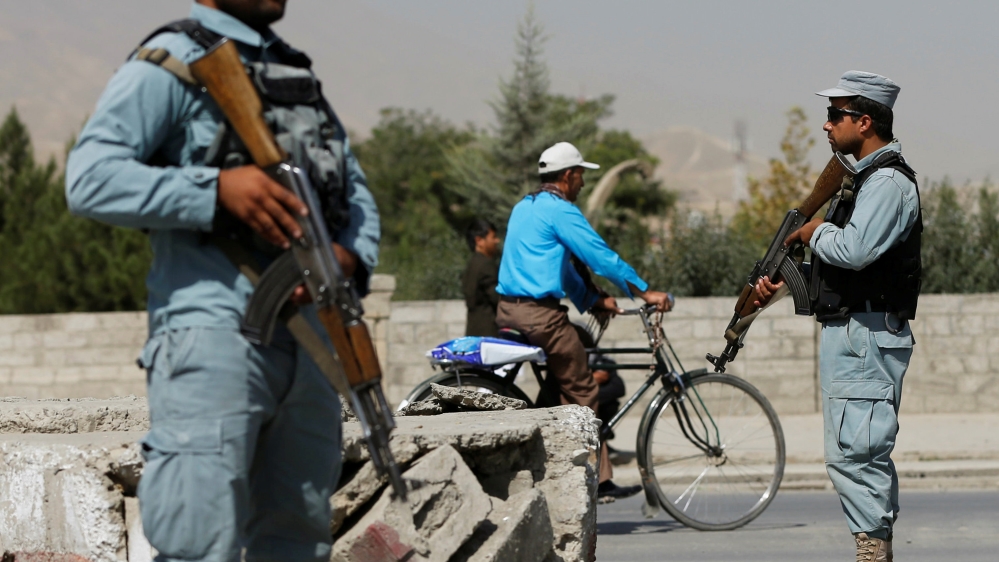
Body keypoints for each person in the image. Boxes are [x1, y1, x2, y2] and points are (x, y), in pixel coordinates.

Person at [65, 1, 380, 560]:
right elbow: (90, 177)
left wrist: (347, 255)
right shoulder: (172, 61)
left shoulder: (296, 75)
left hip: (309, 340)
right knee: (197, 544)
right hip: (213, 336)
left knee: (298, 541)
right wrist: (213, 191)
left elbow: (353, 190)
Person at [755, 71, 920, 562]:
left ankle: (873, 550)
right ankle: (873, 546)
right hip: (855, 333)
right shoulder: (866, 181)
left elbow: (856, 248)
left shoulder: (888, 182)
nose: (827, 127)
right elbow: (844, 260)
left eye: (835, 116)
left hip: (866, 336)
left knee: (856, 452)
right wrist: (786, 276)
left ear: (864, 121)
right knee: (854, 451)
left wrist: (812, 232)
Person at [496, 141, 672, 500]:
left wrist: (593, 300)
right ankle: (588, 483)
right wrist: (643, 290)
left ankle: (577, 465)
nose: (582, 184)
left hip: (511, 308)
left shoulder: (525, 207)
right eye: (580, 176)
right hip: (539, 315)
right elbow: (599, 256)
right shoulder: (560, 211)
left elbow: (562, 271)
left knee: (569, 369)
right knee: (585, 390)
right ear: (567, 176)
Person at [462, 218, 502, 337]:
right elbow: (497, 298)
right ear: (479, 240)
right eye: (493, 237)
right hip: (489, 332)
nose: (497, 241)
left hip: (474, 331)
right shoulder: (485, 265)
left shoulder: (473, 264)